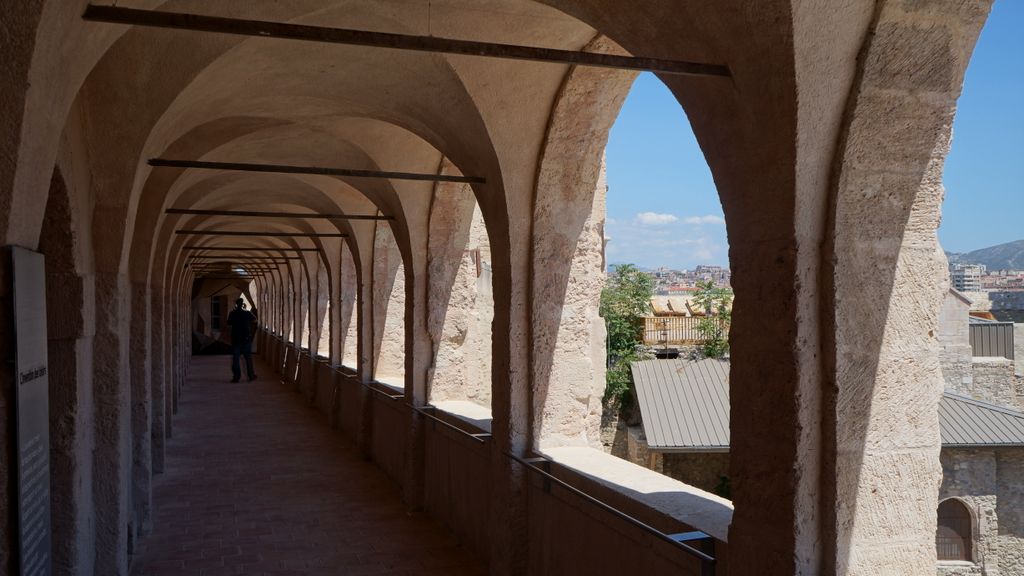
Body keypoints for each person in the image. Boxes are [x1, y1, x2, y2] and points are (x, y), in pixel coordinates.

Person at [226, 297, 257, 382]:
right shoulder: (247, 313)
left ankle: (236, 377)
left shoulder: (232, 313)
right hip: (246, 338)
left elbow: (228, 323)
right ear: (242, 304)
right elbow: (255, 320)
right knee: (248, 359)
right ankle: (251, 376)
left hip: (236, 339)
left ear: (236, 304)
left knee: (236, 360)